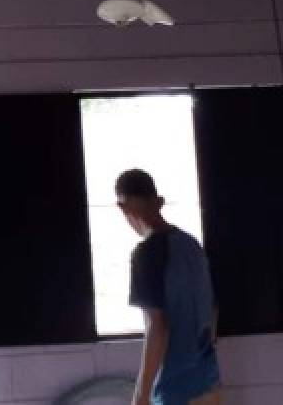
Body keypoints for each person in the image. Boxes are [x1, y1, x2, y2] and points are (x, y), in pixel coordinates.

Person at [116, 169, 221, 405]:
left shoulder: (147, 254)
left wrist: (140, 397)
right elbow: (212, 310)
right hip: (209, 384)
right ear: (158, 200)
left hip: (175, 393)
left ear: (123, 209)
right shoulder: (192, 245)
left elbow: (157, 327)